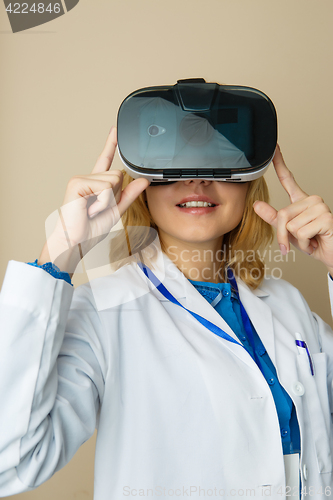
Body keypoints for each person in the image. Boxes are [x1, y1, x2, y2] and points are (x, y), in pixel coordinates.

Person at [0, 126, 333, 500]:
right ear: (142, 183)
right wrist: (61, 249)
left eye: (218, 163)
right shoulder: (103, 310)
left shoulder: (288, 302)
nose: (196, 179)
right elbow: (12, 461)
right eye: (173, 165)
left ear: (247, 182)